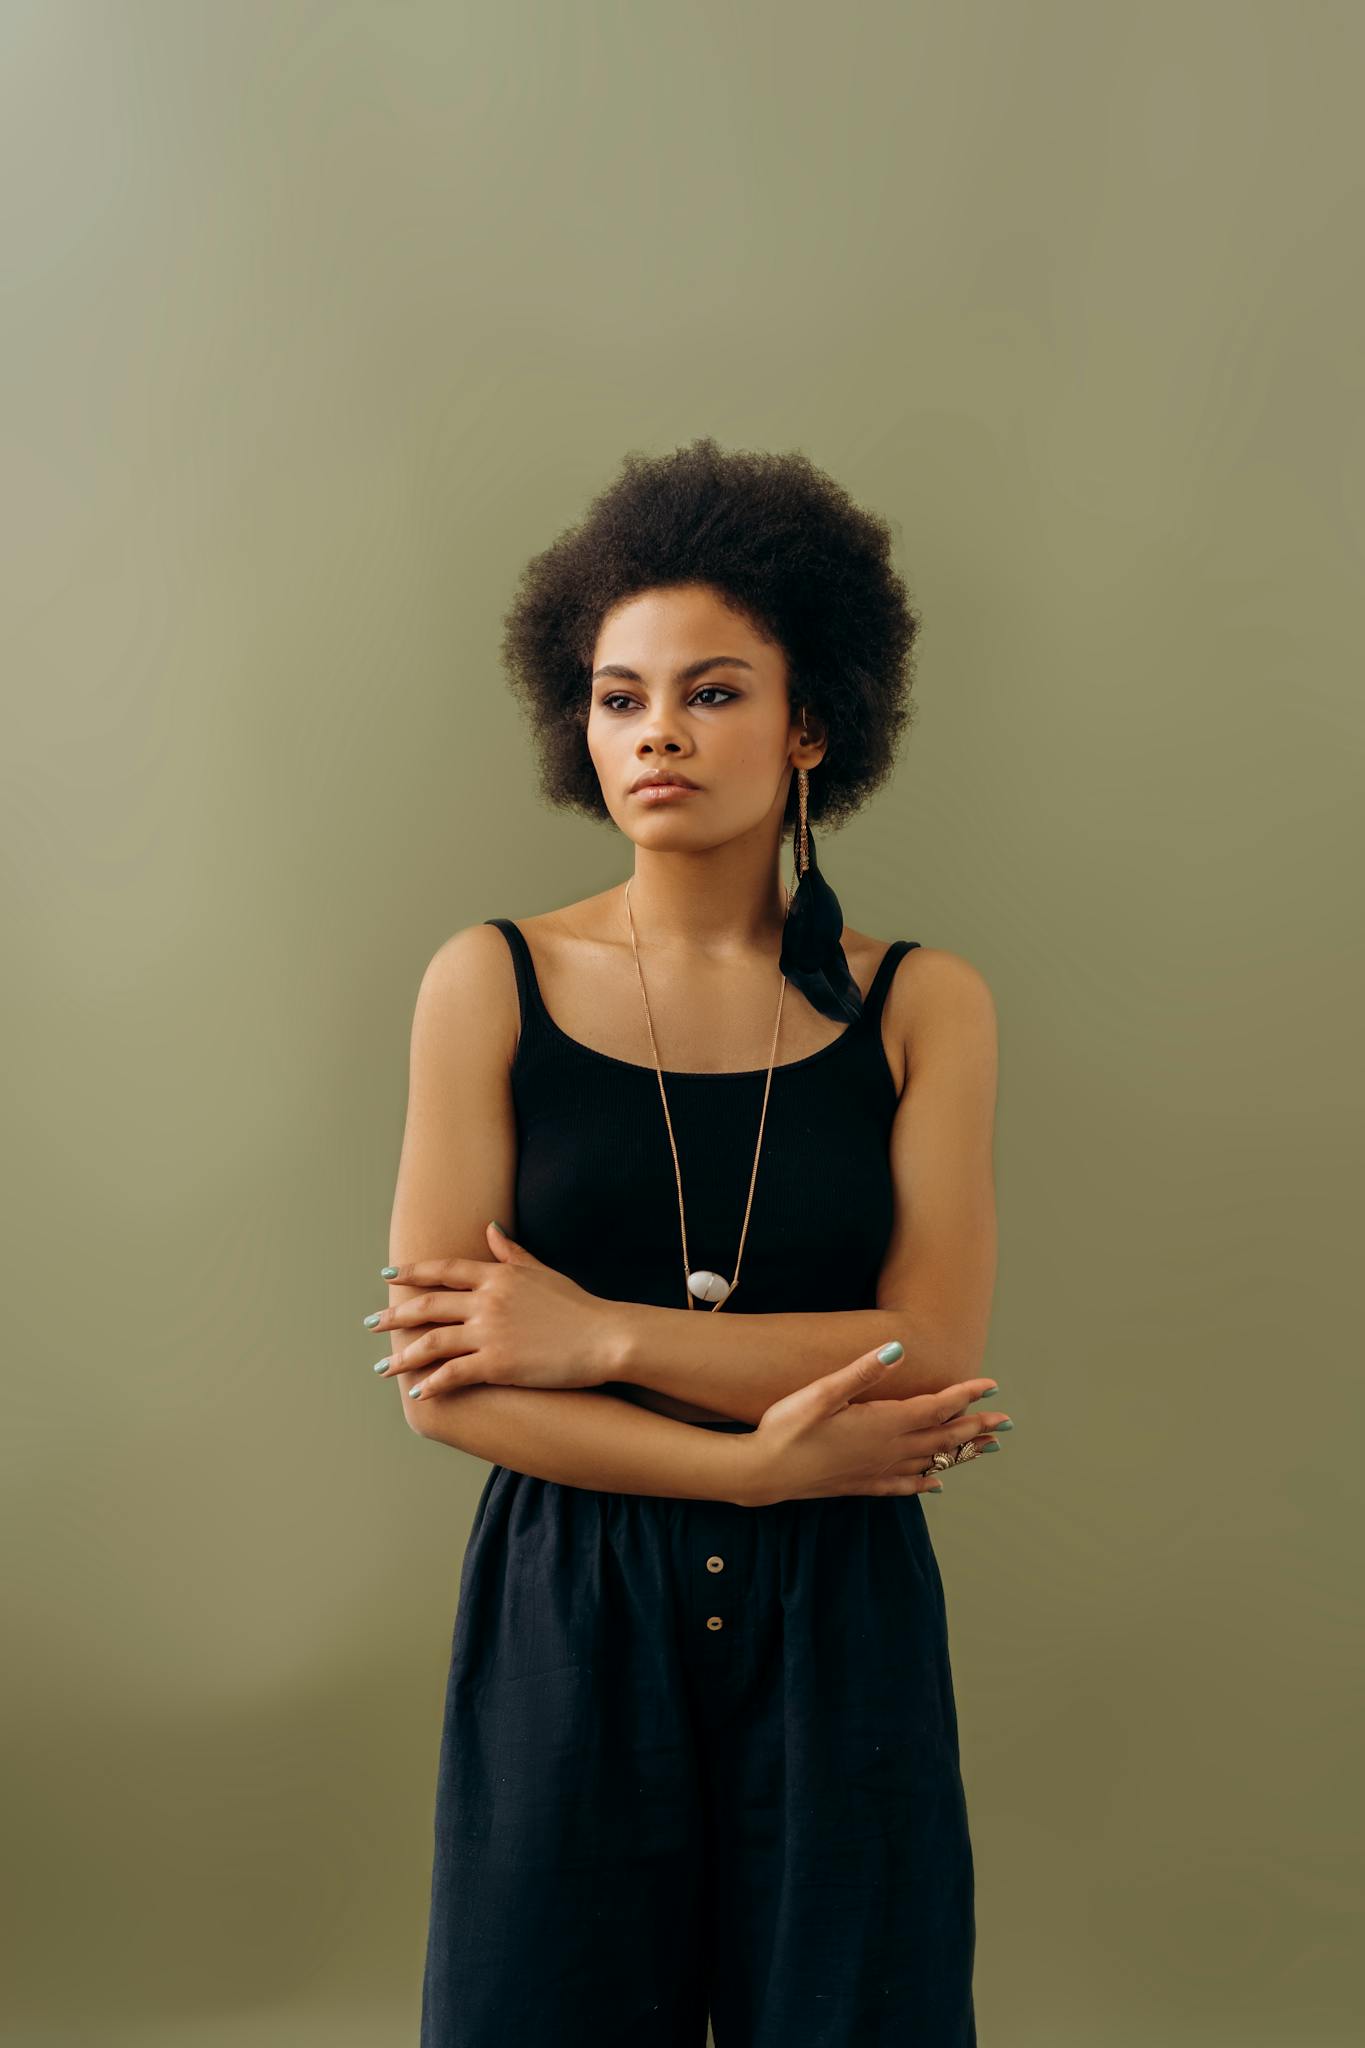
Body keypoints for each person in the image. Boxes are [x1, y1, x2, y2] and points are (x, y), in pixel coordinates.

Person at [372, 438, 1004, 2045]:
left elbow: (921, 1357)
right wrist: (748, 1464)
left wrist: (601, 1340)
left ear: (810, 726)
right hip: (568, 1606)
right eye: (617, 694)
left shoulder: (922, 1001)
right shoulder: (486, 981)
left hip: (840, 1614)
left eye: (712, 692)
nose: (655, 730)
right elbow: (445, 1385)